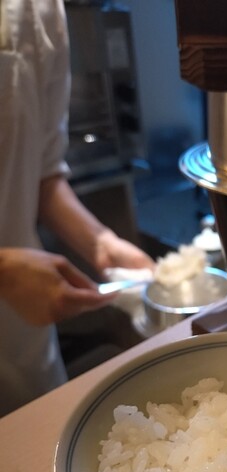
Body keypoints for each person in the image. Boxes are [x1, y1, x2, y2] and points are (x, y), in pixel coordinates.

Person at [0, 0, 155, 416]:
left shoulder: (42, 11)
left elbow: (42, 175)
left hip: (22, 337)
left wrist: (100, 242)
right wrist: (5, 270)